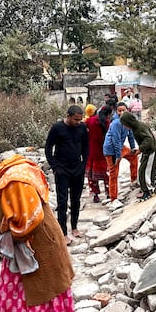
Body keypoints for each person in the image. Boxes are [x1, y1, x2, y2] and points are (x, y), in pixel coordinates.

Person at [0, 137, 74, 312]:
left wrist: (4, 235)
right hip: (22, 252)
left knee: (36, 296)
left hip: (37, 250)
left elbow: (27, 222)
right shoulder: (2, 176)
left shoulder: (14, 181)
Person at [44, 105, 89, 244]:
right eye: (76, 119)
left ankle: (74, 227)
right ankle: (63, 232)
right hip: (62, 169)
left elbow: (86, 147)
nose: (78, 122)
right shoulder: (57, 128)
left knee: (76, 200)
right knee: (62, 201)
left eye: (80, 119)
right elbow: (48, 148)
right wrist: (55, 166)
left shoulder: (81, 128)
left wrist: (83, 164)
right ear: (68, 116)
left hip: (77, 168)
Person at [103, 102, 138, 201]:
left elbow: (130, 135)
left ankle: (134, 180)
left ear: (127, 110)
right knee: (114, 173)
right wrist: (118, 156)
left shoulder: (128, 121)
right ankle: (113, 198)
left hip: (120, 147)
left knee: (134, 156)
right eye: (119, 111)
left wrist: (133, 148)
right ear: (116, 111)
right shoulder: (116, 123)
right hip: (111, 150)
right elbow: (115, 140)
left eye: (124, 110)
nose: (122, 112)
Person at [120, 112, 156, 201]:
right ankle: (145, 189)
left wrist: (140, 149)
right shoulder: (136, 127)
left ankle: (149, 191)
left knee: (147, 172)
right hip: (147, 151)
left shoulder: (139, 127)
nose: (124, 126)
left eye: (124, 124)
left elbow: (149, 139)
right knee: (141, 171)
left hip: (151, 151)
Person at [85, 106, 112, 203]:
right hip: (104, 152)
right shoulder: (108, 123)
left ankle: (95, 194)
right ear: (108, 114)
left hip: (91, 151)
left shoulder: (89, 121)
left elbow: (83, 132)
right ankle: (109, 193)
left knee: (92, 175)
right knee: (107, 174)